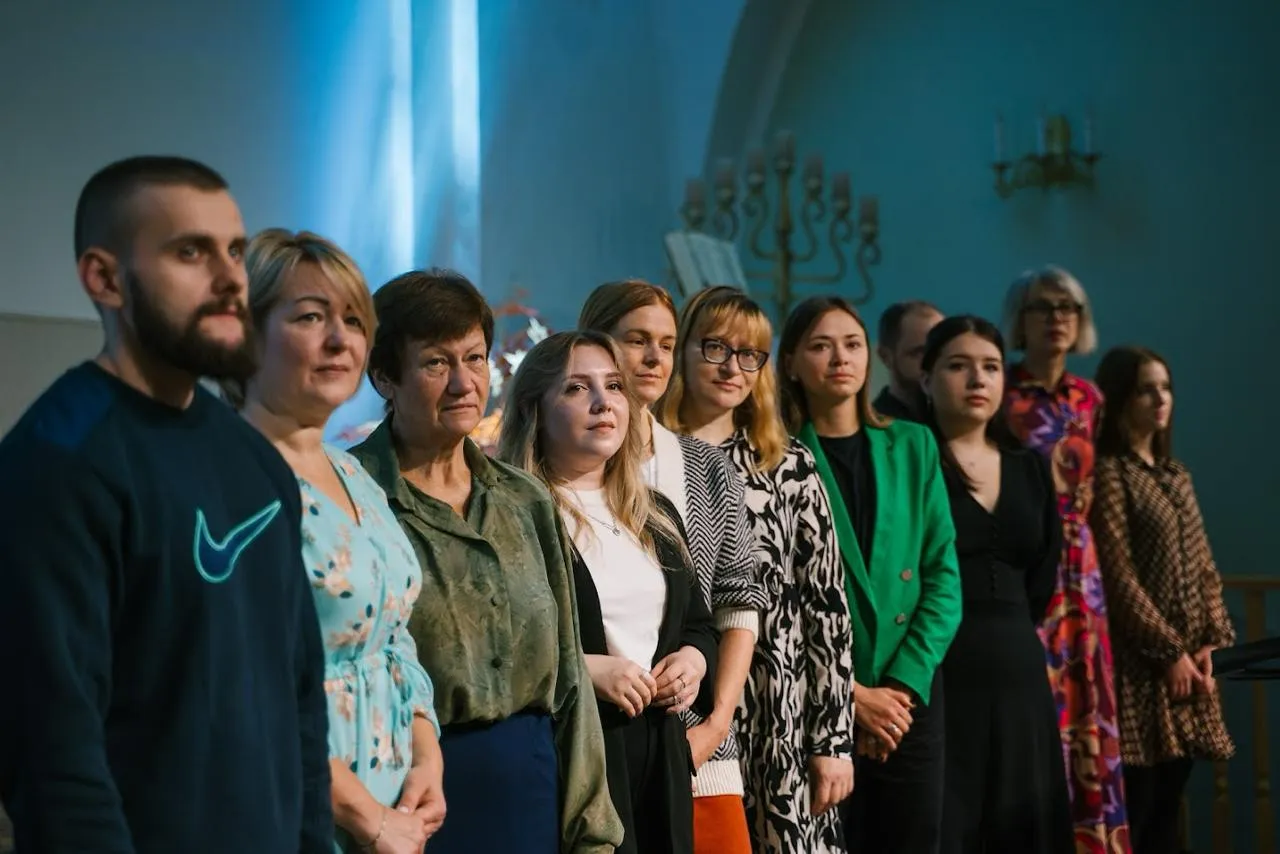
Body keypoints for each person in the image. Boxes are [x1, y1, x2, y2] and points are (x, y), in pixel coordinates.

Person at [0, 156, 332, 852]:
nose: (230, 278)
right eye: (190, 252)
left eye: (235, 251)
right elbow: (51, 748)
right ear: (105, 278)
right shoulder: (56, 464)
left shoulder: (254, 463)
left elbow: (300, 699)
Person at [349, 269, 621, 854]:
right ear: (384, 377)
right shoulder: (352, 497)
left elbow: (570, 680)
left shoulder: (525, 500)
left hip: (532, 794)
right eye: (435, 363)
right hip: (406, 802)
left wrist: (593, 833)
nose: (463, 383)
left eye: (474, 358)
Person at [225, 229, 445, 853]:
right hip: (296, 814)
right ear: (246, 333)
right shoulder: (230, 480)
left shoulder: (353, 472)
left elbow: (394, 635)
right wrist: (367, 818)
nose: (339, 339)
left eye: (353, 320)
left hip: (394, 814)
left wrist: (426, 757)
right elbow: (242, 686)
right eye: (310, 317)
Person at [499, 329, 720, 854]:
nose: (603, 403)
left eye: (614, 386)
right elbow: (494, 647)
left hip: (659, 753)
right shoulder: (513, 514)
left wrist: (693, 661)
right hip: (572, 752)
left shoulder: (655, 513)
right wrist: (585, 670)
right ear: (535, 409)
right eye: (577, 388)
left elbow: (698, 624)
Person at [658, 286, 854, 854]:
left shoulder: (787, 463)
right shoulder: (648, 456)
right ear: (683, 349)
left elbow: (826, 607)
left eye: (749, 355)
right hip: (685, 698)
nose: (732, 368)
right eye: (715, 348)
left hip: (777, 708)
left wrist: (832, 740)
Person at [579, 280, 767, 854]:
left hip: (698, 740)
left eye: (666, 343)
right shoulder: (562, 472)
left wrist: (715, 725)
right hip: (598, 742)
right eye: (637, 340)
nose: (654, 358)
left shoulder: (705, 465)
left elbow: (739, 603)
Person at [776, 295, 961, 854]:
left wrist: (897, 692)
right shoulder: (775, 457)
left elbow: (943, 577)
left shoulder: (913, 444)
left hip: (909, 699)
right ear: (791, 363)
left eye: (852, 344)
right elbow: (778, 597)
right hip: (817, 702)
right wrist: (851, 695)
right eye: (821, 345)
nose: (841, 358)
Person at [918, 315, 1073, 854]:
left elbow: (1043, 573)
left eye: (990, 367)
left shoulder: (1029, 467)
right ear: (926, 378)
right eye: (958, 366)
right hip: (937, 669)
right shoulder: (913, 460)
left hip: (1019, 671)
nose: (977, 379)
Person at [1001, 265, 1130, 853]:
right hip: (1029, 563)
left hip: (1085, 571)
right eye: (1044, 307)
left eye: (1068, 308)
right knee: (1039, 706)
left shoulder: (1090, 397)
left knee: (1088, 707)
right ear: (1020, 320)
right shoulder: (1003, 391)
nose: (1057, 318)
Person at [1091, 346, 1235, 854]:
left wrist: (1211, 643)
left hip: (1190, 669)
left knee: (1171, 805)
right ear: (1120, 399)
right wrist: (1169, 650)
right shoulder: (1110, 473)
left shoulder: (1176, 474)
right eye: (1145, 390)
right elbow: (1117, 576)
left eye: (1166, 388)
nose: (1160, 399)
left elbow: (1205, 567)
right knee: (1141, 806)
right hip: (1137, 670)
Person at [874, 300, 944, 421]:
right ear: (886, 357)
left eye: (943, 351)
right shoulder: (873, 426)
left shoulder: (961, 422)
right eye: (920, 353)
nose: (935, 361)